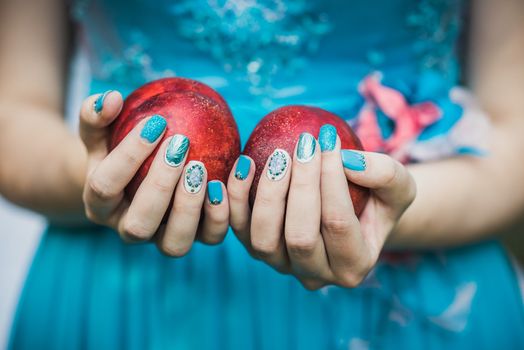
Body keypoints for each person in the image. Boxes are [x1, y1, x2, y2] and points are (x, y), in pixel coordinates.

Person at [1, 0, 523, 348]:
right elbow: (13, 116)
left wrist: (382, 208)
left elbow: (513, 140)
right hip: (121, 294)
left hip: (411, 285)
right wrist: (105, 179)